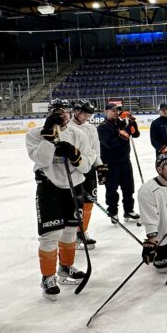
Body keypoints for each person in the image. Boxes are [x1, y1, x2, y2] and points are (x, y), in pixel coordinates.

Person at [27, 99, 97, 296]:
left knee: (70, 232)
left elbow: (86, 166)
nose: (62, 115)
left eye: (65, 111)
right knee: (50, 235)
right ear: (49, 114)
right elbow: (42, 160)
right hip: (49, 188)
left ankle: (66, 267)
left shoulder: (78, 134)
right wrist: (49, 138)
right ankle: (48, 277)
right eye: (57, 112)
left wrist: (76, 156)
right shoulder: (35, 134)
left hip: (74, 187)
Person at [98, 102, 140, 223]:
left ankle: (128, 210)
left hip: (125, 160)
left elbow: (136, 134)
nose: (116, 112)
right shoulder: (102, 127)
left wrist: (132, 122)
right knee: (111, 189)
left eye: (118, 110)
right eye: (113, 110)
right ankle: (113, 212)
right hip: (110, 162)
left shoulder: (122, 123)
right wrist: (125, 131)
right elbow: (110, 145)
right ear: (106, 111)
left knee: (128, 187)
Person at [69, 99, 101, 249]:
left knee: (89, 201)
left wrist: (100, 166)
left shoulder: (91, 128)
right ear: (76, 112)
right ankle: (71, 233)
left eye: (89, 115)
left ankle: (82, 231)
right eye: (85, 114)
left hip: (89, 168)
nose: (87, 117)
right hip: (73, 170)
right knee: (75, 202)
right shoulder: (67, 127)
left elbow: (95, 150)